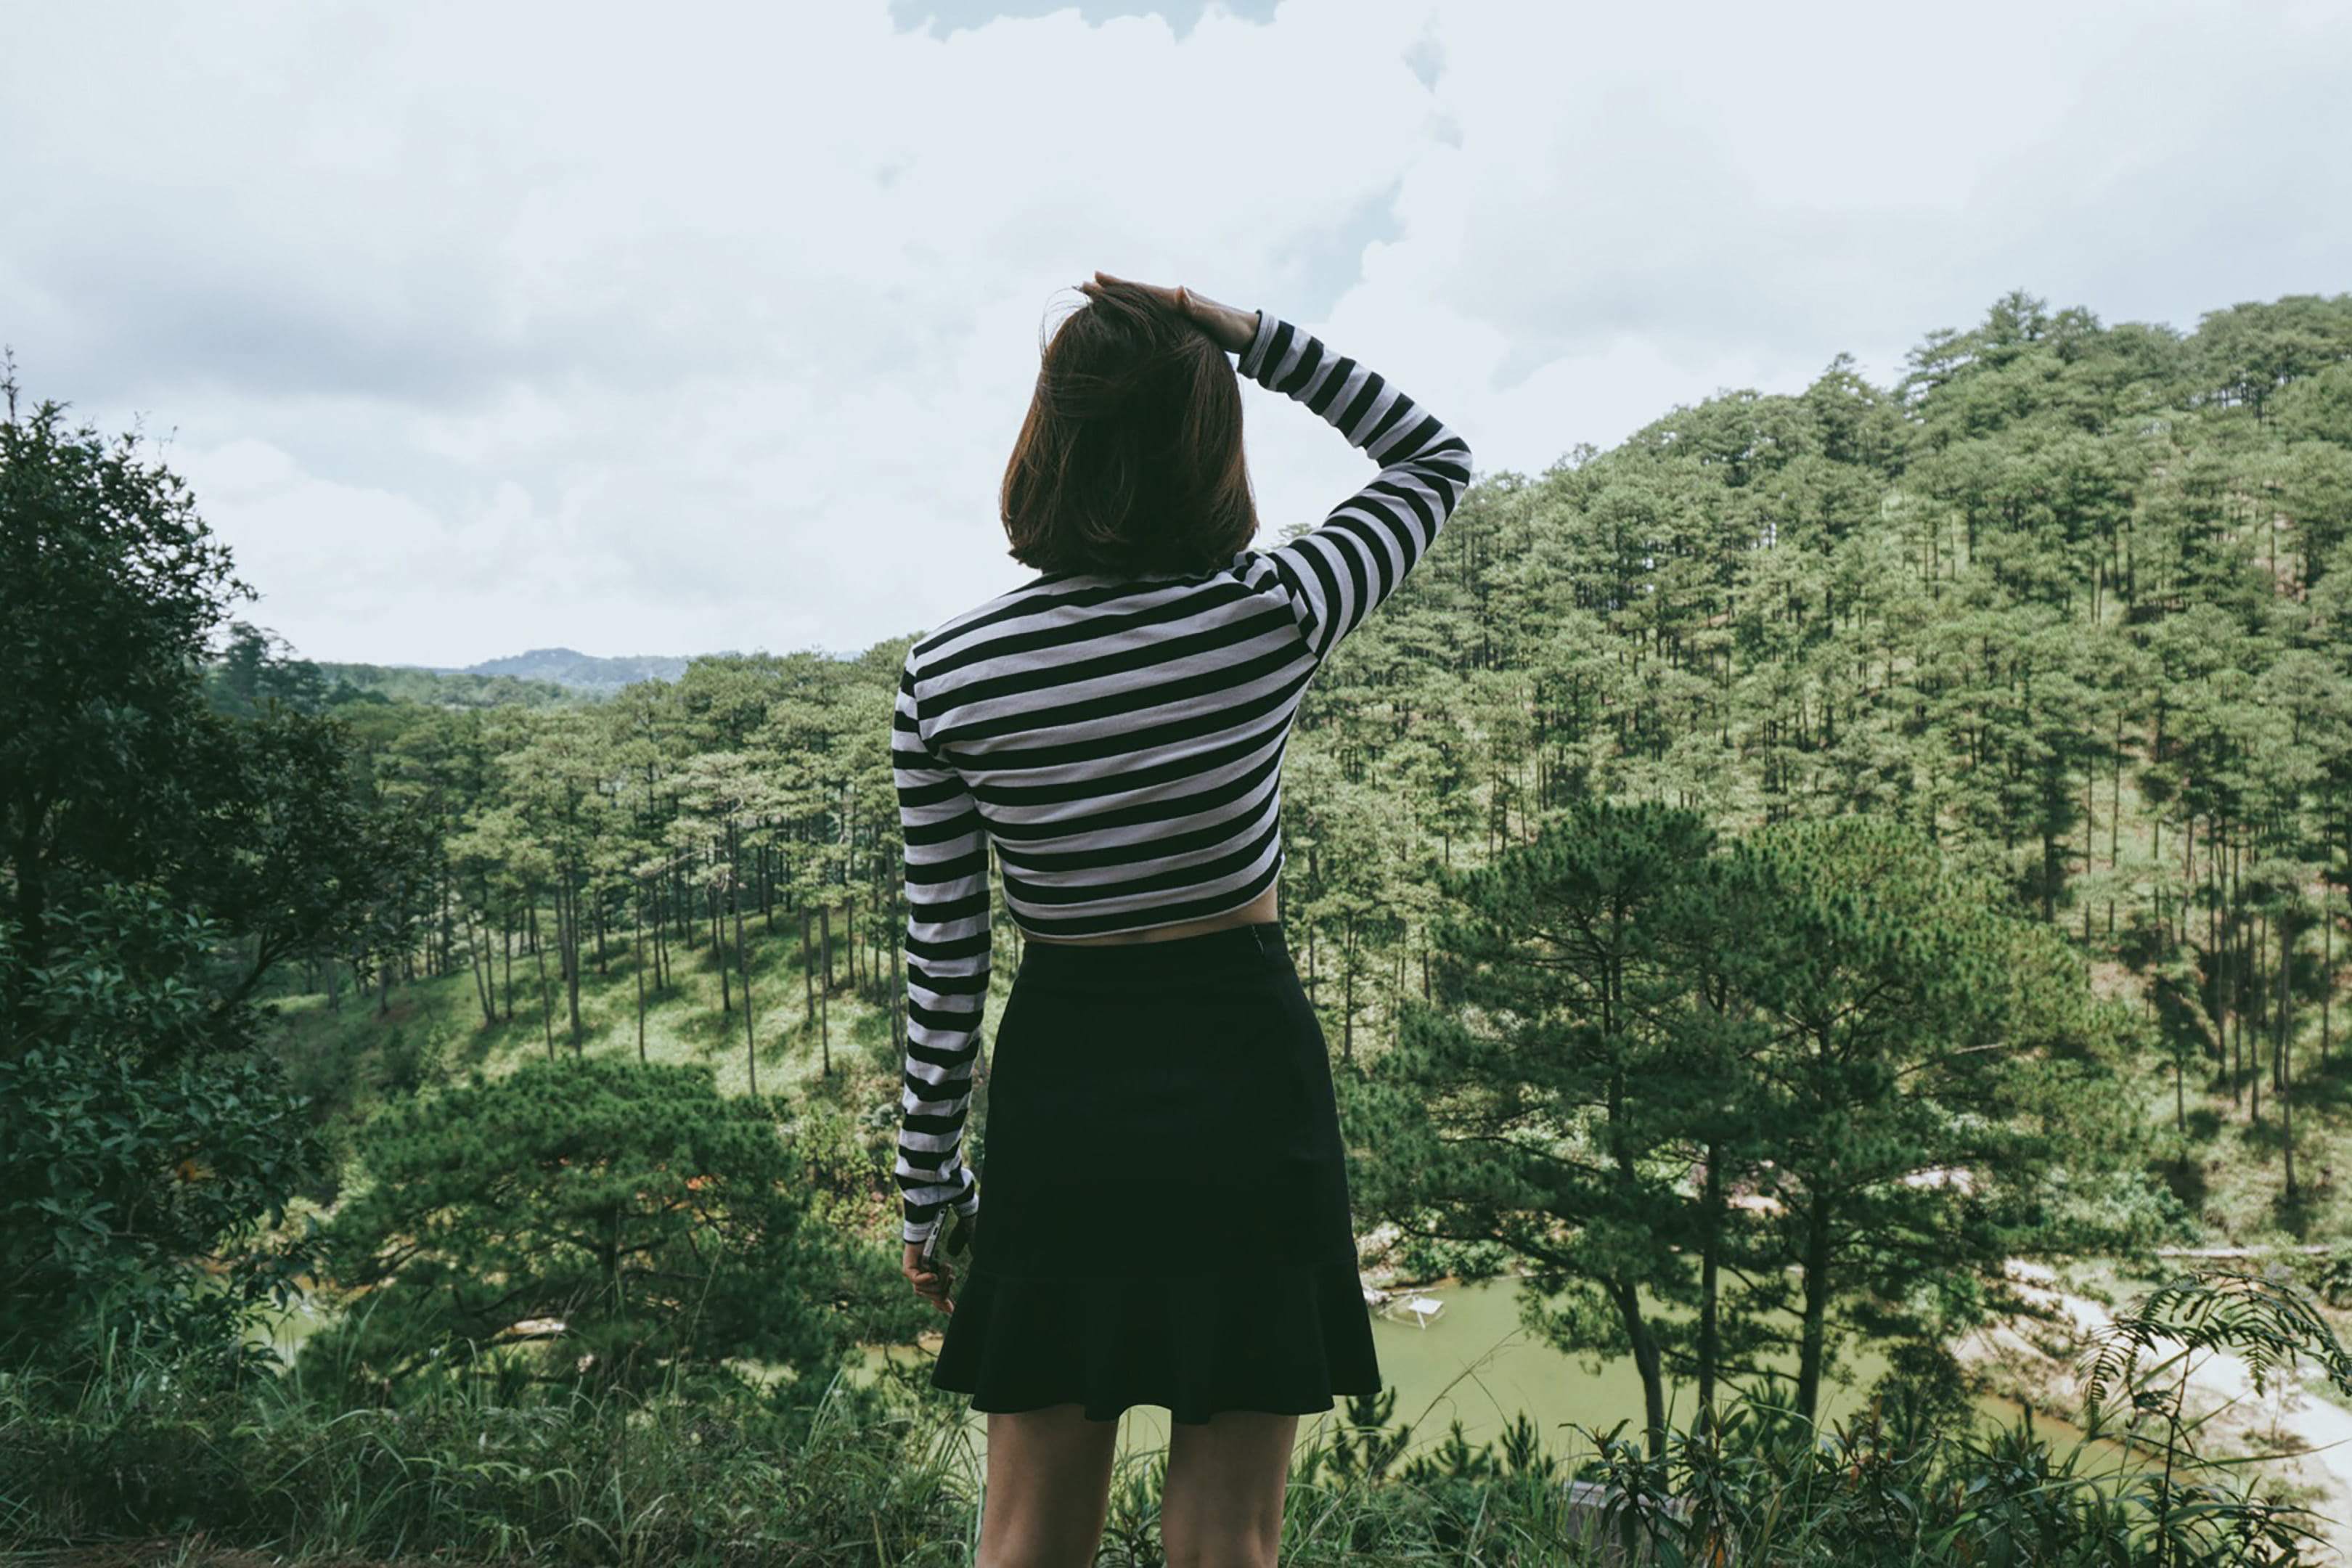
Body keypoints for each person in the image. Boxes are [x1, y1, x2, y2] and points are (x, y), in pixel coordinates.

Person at [891, 269, 1472, 1567]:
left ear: (1049, 438)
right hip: (1243, 1072)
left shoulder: (949, 675)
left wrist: (927, 1184)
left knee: (1028, 1537)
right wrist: (1247, 334)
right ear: (1208, 447)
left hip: (1065, 1086)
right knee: (1228, 1546)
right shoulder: (1269, 614)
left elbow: (947, 959)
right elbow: (1431, 457)